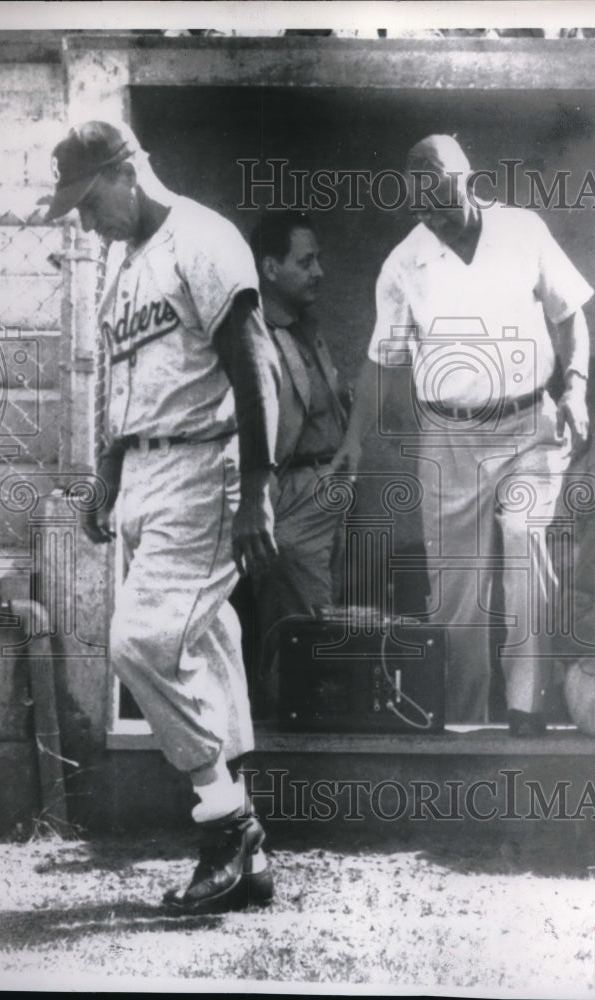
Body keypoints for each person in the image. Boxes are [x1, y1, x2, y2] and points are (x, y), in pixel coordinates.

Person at [44, 120, 281, 912]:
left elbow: (253, 367)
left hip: (203, 464)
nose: (84, 221)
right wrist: (107, 474)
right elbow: (123, 381)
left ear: (127, 172)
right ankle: (246, 869)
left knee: (138, 642)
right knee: (207, 644)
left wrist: (259, 489)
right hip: (146, 470)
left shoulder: (202, 238)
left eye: (87, 202)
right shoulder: (125, 267)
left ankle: (226, 823)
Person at [334, 134, 593, 735]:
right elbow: (382, 359)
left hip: (530, 423)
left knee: (525, 543)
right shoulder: (406, 262)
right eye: (423, 210)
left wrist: (575, 385)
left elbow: (568, 313)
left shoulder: (522, 230)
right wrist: (353, 437)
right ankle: (464, 721)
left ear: (469, 184)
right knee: (455, 586)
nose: (437, 221)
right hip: (449, 439)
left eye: (445, 205)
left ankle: (527, 708)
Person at [248, 212, 348, 707]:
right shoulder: (256, 334)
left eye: (319, 260)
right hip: (293, 493)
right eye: (305, 261)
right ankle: (299, 734)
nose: (318, 272)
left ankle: (297, 718)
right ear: (270, 267)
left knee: (309, 618)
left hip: (326, 490)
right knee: (304, 623)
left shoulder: (305, 327)